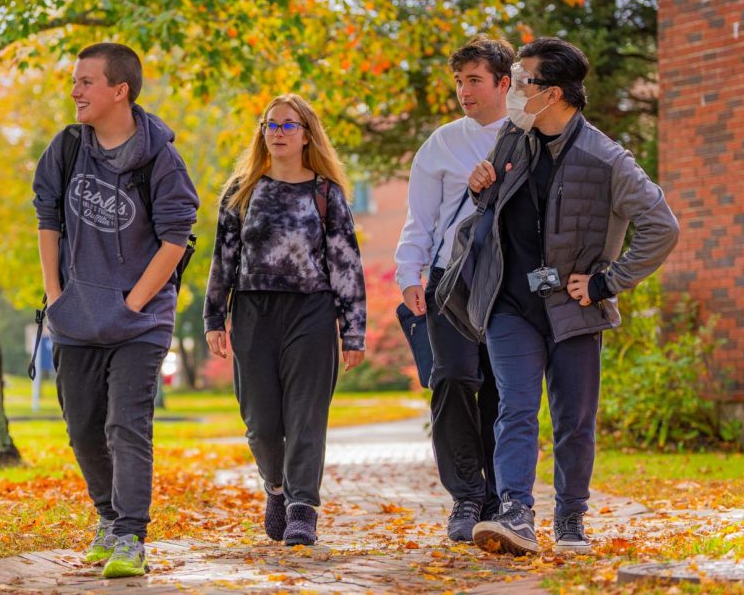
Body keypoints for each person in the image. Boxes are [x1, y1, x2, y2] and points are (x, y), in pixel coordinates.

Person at [460, 37, 678, 555]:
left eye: (523, 81)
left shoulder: (607, 159)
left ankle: (571, 517)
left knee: (574, 419)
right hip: (511, 303)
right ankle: (515, 511)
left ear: (552, 92)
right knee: (514, 408)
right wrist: (479, 186)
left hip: (575, 306)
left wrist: (607, 281)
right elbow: (494, 209)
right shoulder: (514, 138)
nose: (512, 91)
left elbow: (661, 226)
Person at [32, 42, 199, 578]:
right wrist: (56, 295)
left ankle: (130, 536)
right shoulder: (67, 148)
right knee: (82, 428)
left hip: (140, 323)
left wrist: (134, 302)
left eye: (86, 81)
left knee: (126, 425)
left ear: (119, 90)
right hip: (76, 317)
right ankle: (107, 518)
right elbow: (47, 220)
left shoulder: (161, 159)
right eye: (75, 81)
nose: (75, 91)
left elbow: (177, 238)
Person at [204, 94, 366, 547]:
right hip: (253, 311)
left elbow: (346, 263)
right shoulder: (242, 190)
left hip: (310, 312)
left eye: (287, 125)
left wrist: (353, 329)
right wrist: (214, 316)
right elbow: (223, 259)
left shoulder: (325, 193)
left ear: (306, 134)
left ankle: (302, 508)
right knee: (259, 421)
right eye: (270, 125)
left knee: (305, 416)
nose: (276, 132)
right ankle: (275, 488)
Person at [393, 35, 514, 541]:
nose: (464, 91)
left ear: (503, 83)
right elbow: (419, 217)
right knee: (453, 380)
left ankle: (502, 498)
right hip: (449, 281)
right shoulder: (441, 143)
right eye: (459, 81)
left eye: (475, 81)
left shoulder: (529, 136)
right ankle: (467, 497)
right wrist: (408, 274)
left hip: (509, 283)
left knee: (503, 391)